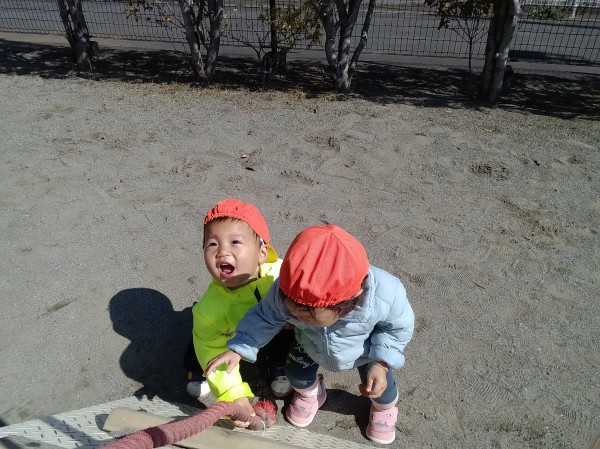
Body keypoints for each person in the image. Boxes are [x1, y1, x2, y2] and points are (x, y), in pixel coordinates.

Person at [206, 224, 415, 445]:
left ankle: (384, 408)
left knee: (380, 386)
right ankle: (311, 394)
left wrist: (382, 362)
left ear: (351, 300)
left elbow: (397, 328)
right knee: (296, 373)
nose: (299, 319)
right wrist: (240, 346)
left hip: (366, 350)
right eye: (294, 314)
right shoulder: (288, 290)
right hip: (310, 342)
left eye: (309, 318)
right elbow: (265, 316)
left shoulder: (386, 294)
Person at [189, 198, 295, 422]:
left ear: (262, 253)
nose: (222, 251)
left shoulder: (281, 275)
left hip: (272, 332)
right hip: (231, 336)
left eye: (235, 241)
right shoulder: (210, 308)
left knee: (288, 329)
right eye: (212, 244)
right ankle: (197, 368)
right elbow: (212, 346)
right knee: (200, 342)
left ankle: (278, 362)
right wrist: (233, 394)